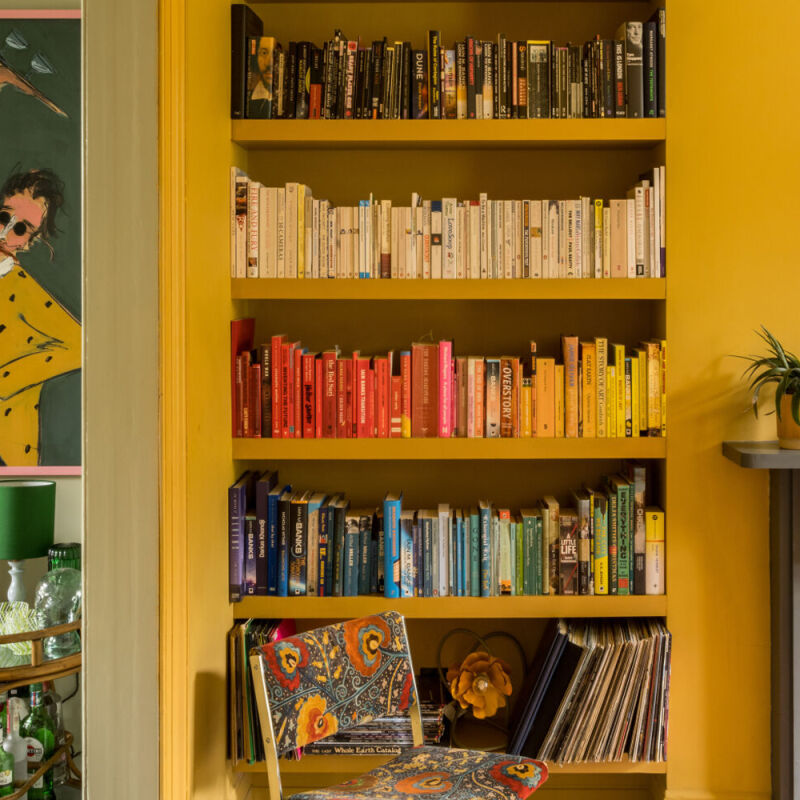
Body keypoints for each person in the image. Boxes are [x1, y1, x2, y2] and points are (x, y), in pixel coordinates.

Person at [0, 168, 80, 466]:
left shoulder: (23, 288)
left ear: (29, 241)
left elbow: (80, 346)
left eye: (20, 229)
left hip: (7, 447)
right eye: (2, 218)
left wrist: (6, 378)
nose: (5, 233)